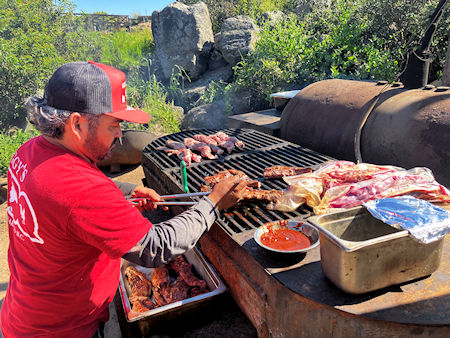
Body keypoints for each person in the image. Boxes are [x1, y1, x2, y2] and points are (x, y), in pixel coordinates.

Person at [0, 61, 247, 337]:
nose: (120, 134)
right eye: (114, 125)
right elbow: (156, 246)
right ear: (77, 123)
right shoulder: (80, 189)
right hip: (62, 329)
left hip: (24, 313)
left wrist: (124, 193)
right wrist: (214, 202)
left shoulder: (28, 152)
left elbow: (64, 198)